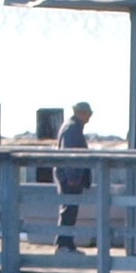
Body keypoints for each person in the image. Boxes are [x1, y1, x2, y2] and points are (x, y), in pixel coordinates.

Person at [55, 98, 94, 241]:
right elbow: (68, 154)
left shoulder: (72, 127)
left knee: (69, 209)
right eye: (88, 114)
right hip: (70, 177)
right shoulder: (72, 128)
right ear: (81, 113)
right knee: (69, 210)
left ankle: (66, 242)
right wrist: (72, 176)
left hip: (70, 176)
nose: (90, 117)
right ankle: (64, 242)